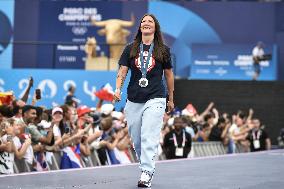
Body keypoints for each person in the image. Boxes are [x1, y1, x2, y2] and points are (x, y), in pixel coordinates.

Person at [113, 14, 174, 188]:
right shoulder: (130, 48)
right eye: (143, 22)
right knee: (137, 140)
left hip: (156, 97)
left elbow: (169, 75)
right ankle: (146, 165)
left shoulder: (163, 50)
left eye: (150, 21)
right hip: (133, 99)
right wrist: (118, 89)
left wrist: (171, 97)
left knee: (149, 135)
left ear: (155, 27)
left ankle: (147, 171)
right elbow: (122, 71)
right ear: (140, 27)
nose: (146, 23)